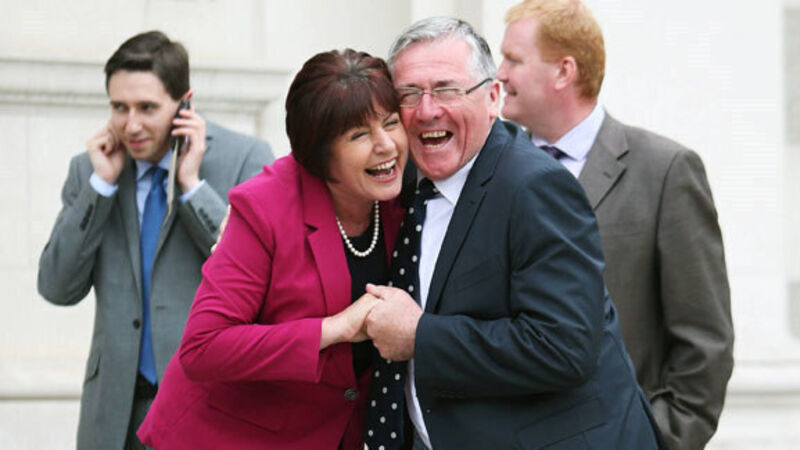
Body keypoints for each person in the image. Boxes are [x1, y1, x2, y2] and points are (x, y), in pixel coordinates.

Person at [362, 17, 665, 450]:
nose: (427, 110)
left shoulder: (534, 186)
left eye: (447, 90)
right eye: (409, 94)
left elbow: (563, 347)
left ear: (492, 98)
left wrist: (419, 336)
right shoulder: (399, 185)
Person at [137, 48, 408, 450]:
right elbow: (203, 346)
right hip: (227, 437)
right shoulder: (265, 206)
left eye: (391, 123)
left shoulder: (407, 194)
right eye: (359, 135)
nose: (386, 145)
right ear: (319, 153)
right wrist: (333, 328)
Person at [496, 1, 734, 447]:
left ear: (564, 71)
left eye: (513, 59)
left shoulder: (665, 171)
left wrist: (656, 439)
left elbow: (705, 343)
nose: (499, 74)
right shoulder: (493, 172)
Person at [36, 31, 274, 449]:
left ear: (184, 104)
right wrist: (100, 187)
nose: (131, 125)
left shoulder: (245, 159)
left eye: (147, 108)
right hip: (113, 418)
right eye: (119, 107)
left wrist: (193, 187)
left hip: (209, 410)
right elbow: (57, 286)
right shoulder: (89, 170)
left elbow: (262, 284)